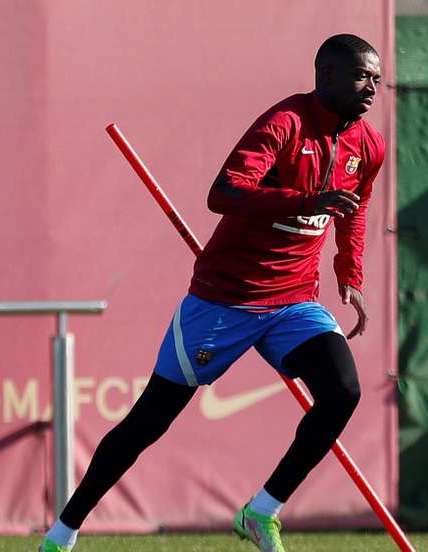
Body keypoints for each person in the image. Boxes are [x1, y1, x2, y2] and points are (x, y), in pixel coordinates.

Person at [40, 33, 385, 552]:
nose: (372, 88)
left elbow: (351, 211)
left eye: (378, 79)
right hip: (224, 300)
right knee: (147, 423)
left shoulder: (368, 144)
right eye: (362, 77)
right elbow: (222, 194)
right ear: (327, 75)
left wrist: (350, 275)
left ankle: (261, 511)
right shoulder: (285, 124)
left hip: (295, 301)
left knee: (343, 393)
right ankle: (62, 534)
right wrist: (303, 199)